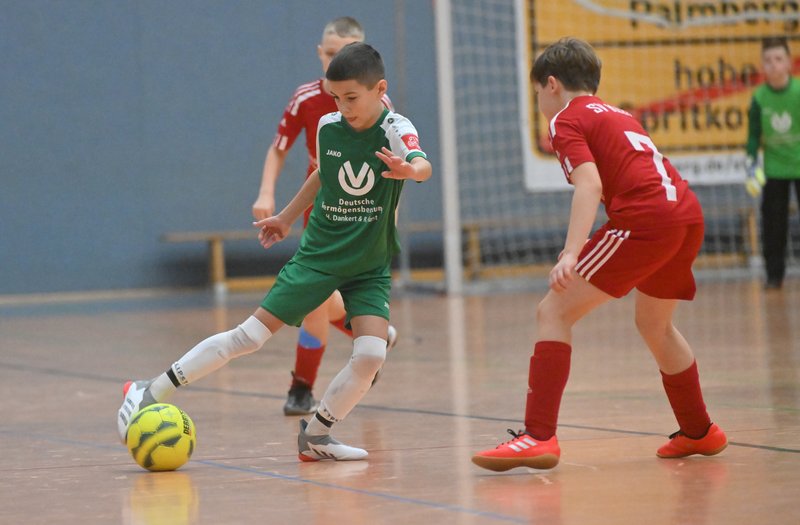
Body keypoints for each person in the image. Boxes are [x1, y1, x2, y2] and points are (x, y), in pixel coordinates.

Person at [118, 42, 431, 461]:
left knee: (372, 353)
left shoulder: (395, 127)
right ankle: (149, 390)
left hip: (370, 265)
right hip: (320, 258)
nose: (343, 107)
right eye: (336, 98)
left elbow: (422, 163)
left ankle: (316, 436)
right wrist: (285, 217)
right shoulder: (329, 127)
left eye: (351, 97)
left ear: (380, 89)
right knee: (248, 337)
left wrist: (411, 170)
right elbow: (322, 174)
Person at [471, 37, 728, 472]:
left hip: (647, 221)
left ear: (552, 84)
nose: (539, 102)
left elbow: (589, 184)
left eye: (537, 92)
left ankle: (538, 436)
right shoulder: (619, 114)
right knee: (655, 325)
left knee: (553, 311)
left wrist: (571, 253)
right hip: (686, 215)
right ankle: (699, 430)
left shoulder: (565, 119)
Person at [253, 17, 397, 415]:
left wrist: (387, 220)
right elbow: (279, 148)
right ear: (320, 53)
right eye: (332, 53)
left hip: (363, 210)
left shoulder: (378, 106)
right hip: (320, 207)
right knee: (316, 297)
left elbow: (394, 168)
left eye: (347, 53)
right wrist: (267, 192)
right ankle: (312, 378)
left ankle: (310, 380)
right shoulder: (306, 98)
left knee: (321, 296)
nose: (338, 60)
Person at [744, 36, 800, 290]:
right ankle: (774, 276)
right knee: (773, 224)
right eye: (768, 60)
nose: (773, 65)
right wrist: (750, 162)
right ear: (762, 65)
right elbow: (753, 135)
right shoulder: (759, 98)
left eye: (778, 59)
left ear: (788, 63)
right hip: (774, 169)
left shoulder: (798, 92)